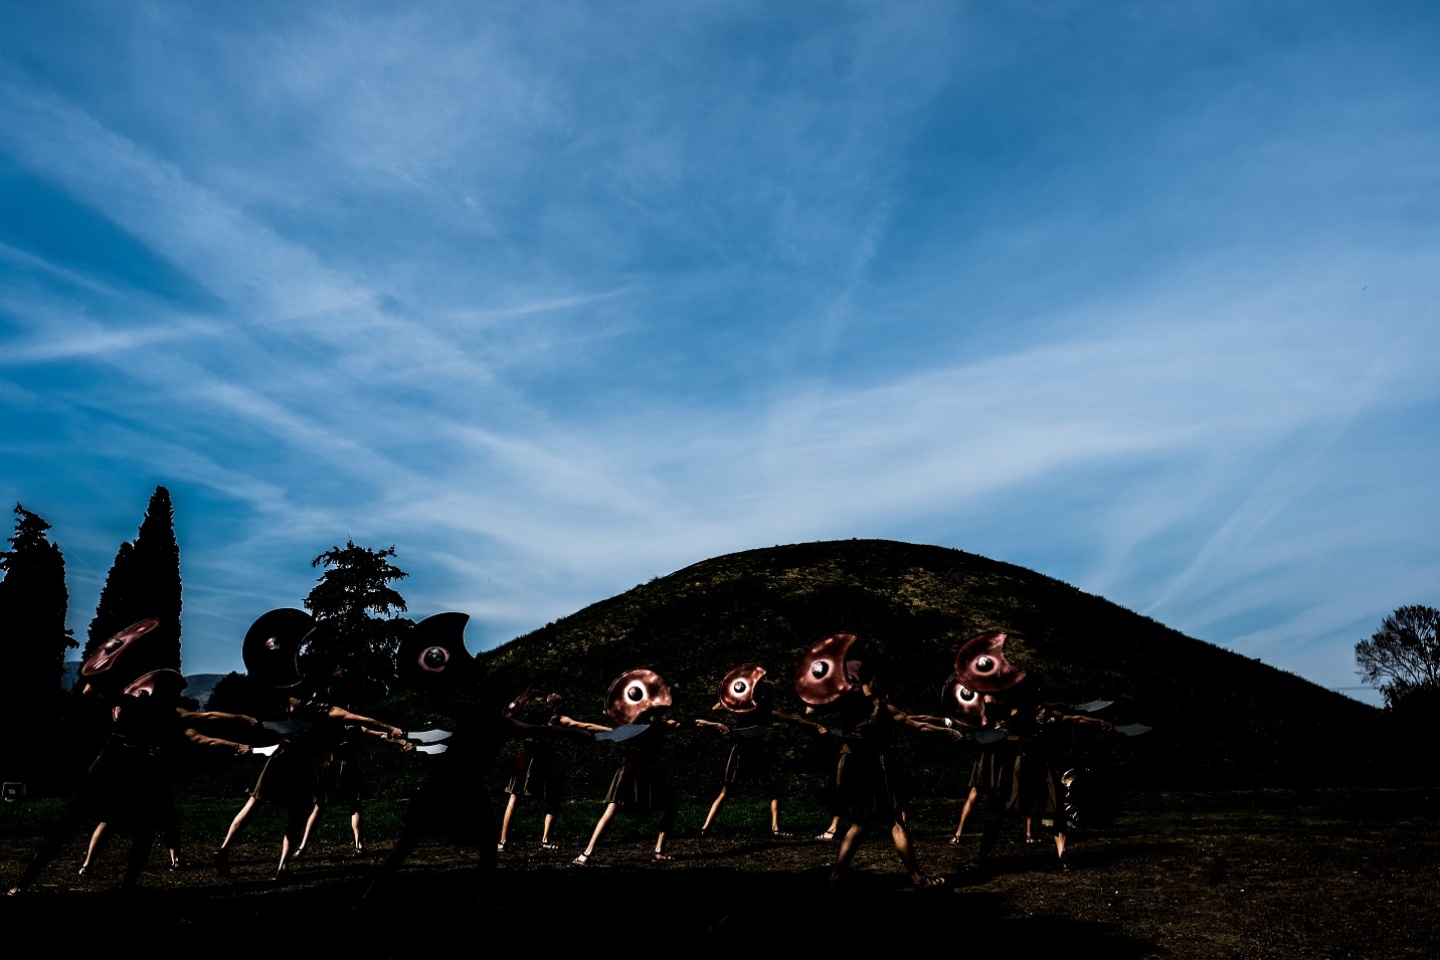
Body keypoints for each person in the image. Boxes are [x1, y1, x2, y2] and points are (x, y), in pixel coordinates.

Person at [818, 658, 960, 889]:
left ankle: (836, 876)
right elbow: (917, 725)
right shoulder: (880, 707)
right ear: (873, 679)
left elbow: (816, 703)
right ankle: (917, 878)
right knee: (896, 821)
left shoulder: (846, 703)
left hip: (848, 766)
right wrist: (945, 732)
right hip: (871, 767)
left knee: (859, 823)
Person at [699, 664, 821, 838]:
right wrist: (816, 725)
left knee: (770, 790)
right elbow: (794, 720)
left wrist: (734, 696)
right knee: (730, 792)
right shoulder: (749, 708)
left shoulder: (751, 709)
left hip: (752, 752)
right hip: (745, 751)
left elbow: (717, 707)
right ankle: (706, 827)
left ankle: (775, 828)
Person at [497, 692, 608, 851]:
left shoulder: (531, 717)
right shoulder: (558, 720)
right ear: (558, 706)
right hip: (539, 760)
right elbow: (586, 726)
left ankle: (503, 841)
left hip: (525, 758)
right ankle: (545, 840)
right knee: (552, 800)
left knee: (515, 798)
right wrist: (612, 729)